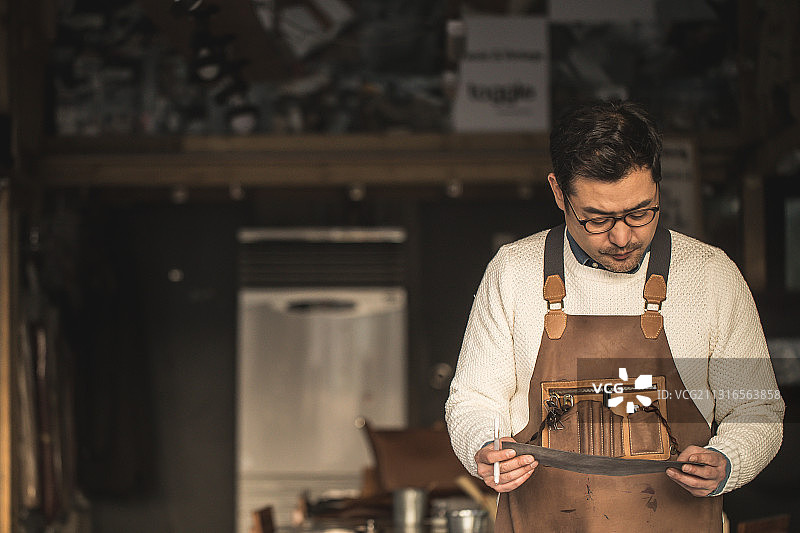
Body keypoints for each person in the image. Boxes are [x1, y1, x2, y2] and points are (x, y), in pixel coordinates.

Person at [444, 100, 784, 532]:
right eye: (598, 218)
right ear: (558, 192)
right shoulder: (513, 271)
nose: (623, 237)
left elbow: (757, 408)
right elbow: (472, 399)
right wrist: (484, 447)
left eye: (641, 212)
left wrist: (730, 459)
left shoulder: (711, 275)